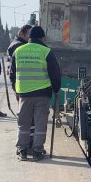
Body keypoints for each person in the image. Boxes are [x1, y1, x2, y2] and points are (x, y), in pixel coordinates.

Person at [11, 26, 62, 161]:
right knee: (40, 123)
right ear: (42, 37)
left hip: (24, 93)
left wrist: (16, 89)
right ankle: (37, 151)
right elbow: (55, 73)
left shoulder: (18, 51)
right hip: (42, 93)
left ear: (29, 37)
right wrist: (56, 89)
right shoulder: (46, 51)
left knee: (23, 123)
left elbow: (12, 74)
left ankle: (22, 150)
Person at [8, 25, 32, 93]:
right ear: (21, 34)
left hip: (19, 82)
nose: (31, 36)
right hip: (21, 83)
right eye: (29, 34)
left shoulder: (16, 43)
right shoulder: (19, 46)